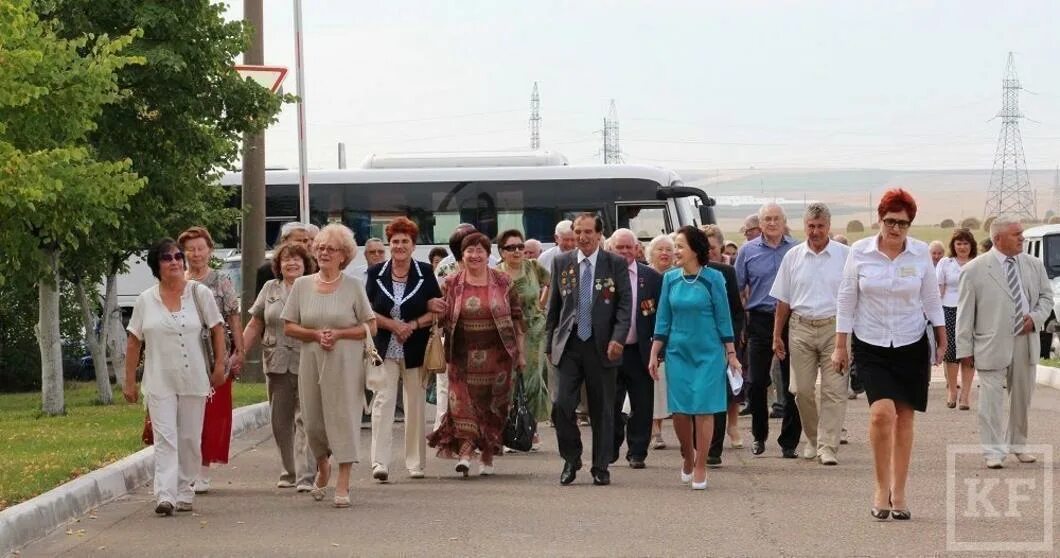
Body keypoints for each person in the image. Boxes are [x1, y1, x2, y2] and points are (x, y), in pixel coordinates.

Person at [832, 188, 945, 521]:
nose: (895, 229)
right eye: (890, 221)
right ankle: (881, 488)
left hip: (910, 343)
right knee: (882, 414)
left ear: (910, 225)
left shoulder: (920, 253)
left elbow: (930, 299)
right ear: (879, 220)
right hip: (871, 342)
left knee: (905, 419)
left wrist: (941, 336)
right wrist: (841, 344)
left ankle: (900, 491)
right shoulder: (860, 252)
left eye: (903, 223)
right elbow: (846, 298)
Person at [123, 238, 226, 515]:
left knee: (190, 438)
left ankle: (185, 489)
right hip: (159, 380)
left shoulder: (199, 293)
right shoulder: (146, 299)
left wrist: (220, 365)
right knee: (166, 437)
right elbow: (134, 341)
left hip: (194, 377)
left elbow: (217, 329)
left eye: (178, 257)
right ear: (157, 265)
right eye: (167, 258)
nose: (175, 262)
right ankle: (165, 495)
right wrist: (129, 381)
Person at [282, 224, 377, 508]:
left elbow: (370, 325)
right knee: (312, 422)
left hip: (345, 362)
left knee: (344, 418)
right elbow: (288, 326)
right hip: (311, 361)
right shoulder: (301, 285)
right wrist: (314, 335)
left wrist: (339, 334)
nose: (323, 252)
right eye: (320, 248)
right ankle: (323, 467)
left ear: (343, 255)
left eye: (330, 249)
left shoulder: (353, 286)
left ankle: (343, 483)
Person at [956, 216, 1052, 470]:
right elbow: (964, 314)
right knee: (991, 401)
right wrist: (964, 350)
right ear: (998, 239)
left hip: (1025, 341)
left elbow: (1046, 297)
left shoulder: (1033, 264)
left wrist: (1036, 317)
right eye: (1016, 234)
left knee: (1022, 397)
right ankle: (993, 451)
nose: (1022, 237)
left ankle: (1018, 444)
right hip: (990, 343)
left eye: (1021, 233)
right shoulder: (974, 270)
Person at [426, 232, 525, 476]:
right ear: (462, 254)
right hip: (461, 356)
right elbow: (437, 311)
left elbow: (517, 318)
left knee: (492, 407)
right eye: (470, 250)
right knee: (462, 406)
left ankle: (488, 455)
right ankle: (466, 453)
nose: (475, 255)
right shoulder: (451, 283)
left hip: (499, 356)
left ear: (488, 254)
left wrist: (521, 354)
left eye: (480, 250)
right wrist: (432, 307)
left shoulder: (503, 281)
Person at [649, 226, 740, 490]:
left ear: (695, 250)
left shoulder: (714, 279)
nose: (675, 251)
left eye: (679, 246)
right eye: (674, 246)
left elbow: (724, 318)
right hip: (678, 352)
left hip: (709, 353)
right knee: (679, 410)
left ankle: (701, 463)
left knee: (703, 408)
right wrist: (655, 353)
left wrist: (731, 354)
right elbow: (663, 319)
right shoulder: (670, 279)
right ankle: (687, 455)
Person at [545, 213, 632, 486]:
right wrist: (549, 344)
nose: (582, 237)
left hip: (602, 346)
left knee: (602, 409)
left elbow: (624, 306)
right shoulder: (562, 262)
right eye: (578, 231)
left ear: (598, 234)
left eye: (587, 232)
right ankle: (571, 458)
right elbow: (554, 307)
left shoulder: (614, 263)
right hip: (569, 345)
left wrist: (618, 338)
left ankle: (600, 465)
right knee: (561, 405)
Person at [770, 203, 850, 465]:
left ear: (829, 227)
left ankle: (828, 446)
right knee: (801, 390)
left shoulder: (845, 256)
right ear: (804, 226)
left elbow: (854, 297)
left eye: (820, 226)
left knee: (834, 391)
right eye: (811, 226)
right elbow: (783, 300)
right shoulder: (792, 257)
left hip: (835, 330)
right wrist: (777, 334)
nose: (815, 232)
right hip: (800, 328)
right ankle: (814, 438)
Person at [364, 217, 441, 481]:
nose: (399, 246)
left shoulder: (425, 272)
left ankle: (416, 464)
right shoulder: (376, 273)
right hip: (384, 348)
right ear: (389, 244)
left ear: (413, 245)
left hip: (415, 348)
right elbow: (368, 311)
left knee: (415, 405)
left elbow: (435, 310)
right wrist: (393, 326)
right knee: (383, 403)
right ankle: (379, 463)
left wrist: (413, 324)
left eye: (404, 241)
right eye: (395, 241)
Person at [243, 242, 317, 492]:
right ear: (279, 264)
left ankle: (306, 474)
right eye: (286, 259)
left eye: (297, 259)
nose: (292, 263)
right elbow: (255, 323)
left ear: (306, 264)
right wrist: (238, 353)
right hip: (276, 362)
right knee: (280, 420)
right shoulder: (270, 288)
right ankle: (289, 469)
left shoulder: (314, 287)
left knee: (306, 418)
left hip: (307, 360)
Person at [178, 226, 244, 495]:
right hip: (183, 353)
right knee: (185, 414)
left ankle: (203, 470)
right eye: (190, 249)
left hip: (215, 355)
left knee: (212, 414)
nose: (196, 254)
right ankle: (186, 469)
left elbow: (233, 316)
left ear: (210, 250)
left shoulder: (221, 281)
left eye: (200, 248)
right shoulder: (177, 281)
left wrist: (238, 351)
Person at [735, 204, 802, 458]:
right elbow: (739, 289)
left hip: (792, 320)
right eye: (767, 220)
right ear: (759, 224)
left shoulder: (796, 249)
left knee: (791, 382)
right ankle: (759, 436)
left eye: (776, 219)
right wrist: (742, 325)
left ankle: (789, 442)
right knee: (757, 382)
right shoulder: (747, 251)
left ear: (784, 222)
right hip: (761, 320)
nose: (772, 223)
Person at [608, 229, 662, 469]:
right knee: (611, 403)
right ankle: (609, 448)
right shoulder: (602, 275)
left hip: (640, 350)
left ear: (637, 249)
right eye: (620, 247)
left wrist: (658, 350)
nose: (625, 252)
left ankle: (638, 451)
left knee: (642, 403)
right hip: (610, 351)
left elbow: (660, 315)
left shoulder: (650, 277)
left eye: (629, 247)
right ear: (611, 249)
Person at [496, 229, 551, 441]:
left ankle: (531, 429)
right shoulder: (496, 273)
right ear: (502, 251)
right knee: (508, 380)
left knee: (532, 378)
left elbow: (551, 282)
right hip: (507, 331)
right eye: (511, 248)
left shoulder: (533, 267)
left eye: (520, 247)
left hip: (534, 330)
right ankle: (510, 428)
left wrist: (541, 303)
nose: (517, 251)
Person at [700, 225, 746, 465]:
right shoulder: (678, 274)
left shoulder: (725, 273)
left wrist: (732, 339)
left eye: (711, 248)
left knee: (718, 394)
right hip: (691, 343)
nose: (707, 253)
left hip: (720, 343)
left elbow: (737, 312)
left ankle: (713, 450)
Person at [937, 228, 977, 410]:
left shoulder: (978, 263)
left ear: (971, 245)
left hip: (973, 311)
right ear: (953, 245)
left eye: (966, 243)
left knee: (969, 353)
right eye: (959, 243)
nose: (962, 247)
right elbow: (939, 290)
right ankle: (952, 390)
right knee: (951, 353)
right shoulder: (946, 263)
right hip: (949, 310)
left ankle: (966, 396)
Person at [646, 234, 675, 449]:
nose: (664, 253)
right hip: (650, 334)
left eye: (669, 249)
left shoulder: (678, 275)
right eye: (660, 249)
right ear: (651, 253)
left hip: (676, 335)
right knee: (655, 384)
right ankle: (655, 430)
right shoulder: (644, 276)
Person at [256, 222, 313, 295]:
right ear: (284, 241)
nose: (302, 245)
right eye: (298, 241)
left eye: (305, 241)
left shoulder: (318, 267)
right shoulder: (267, 271)